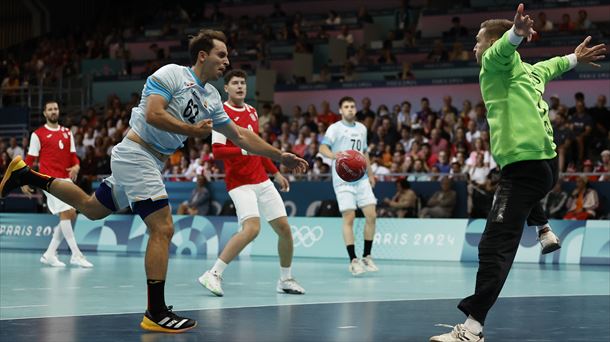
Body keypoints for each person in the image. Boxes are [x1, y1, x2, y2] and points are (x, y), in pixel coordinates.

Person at [0, 29, 308, 334]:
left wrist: (281, 156)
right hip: (137, 153)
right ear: (203, 55)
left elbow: (240, 135)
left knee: (91, 209)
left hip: (148, 159)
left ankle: (24, 174)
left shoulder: (212, 96)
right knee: (163, 227)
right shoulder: (171, 74)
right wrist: (192, 131)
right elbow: (153, 114)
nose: (226, 62)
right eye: (221, 55)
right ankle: (155, 312)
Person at [430, 4, 605, 341]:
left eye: (479, 40)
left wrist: (514, 34)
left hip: (525, 169)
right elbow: (550, 66)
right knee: (516, 192)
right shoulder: (529, 72)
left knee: (494, 246)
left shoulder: (494, 67)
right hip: (543, 165)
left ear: (495, 42)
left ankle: (472, 328)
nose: (475, 47)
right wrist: (574, 58)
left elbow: (499, 50)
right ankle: (543, 227)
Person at [198, 69, 305, 297]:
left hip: (262, 180)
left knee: (285, 230)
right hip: (239, 183)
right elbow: (217, 152)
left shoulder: (253, 112)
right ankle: (213, 274)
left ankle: (285, 279)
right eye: (235, 83)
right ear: (225, 88)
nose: (240, 86)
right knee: (252, 229)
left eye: (243, 83)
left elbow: (259, 147)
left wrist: (275, 173)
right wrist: (244, 149)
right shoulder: (221, 113)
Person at [22, 101, 93, 268]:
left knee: (71, 214)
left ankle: (49, 253)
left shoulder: (67, 133)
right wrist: (24, 179)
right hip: (49, 180)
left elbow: (73, 156)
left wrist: (76, 166)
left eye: (55, 109)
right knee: (67, 212)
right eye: (50, 109)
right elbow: (30, 160)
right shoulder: (37, 134)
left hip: (66, 179)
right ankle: (76, 254)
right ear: (45, 113)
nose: (53, 111)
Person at [319, 96, 379, 276]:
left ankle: (367, 256)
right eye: (346, 107)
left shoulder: (362, 128)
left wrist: (370, 174)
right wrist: (334, 156)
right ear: (340, 110)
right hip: (343, 179)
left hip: (360, 178)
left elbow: (364, 153)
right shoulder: (335, 128)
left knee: (372, 215)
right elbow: (322, 148)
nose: (350, 109)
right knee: (349, 217)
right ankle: (353, 260)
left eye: (353, 106)